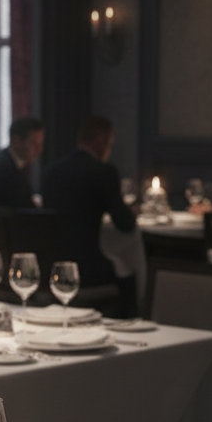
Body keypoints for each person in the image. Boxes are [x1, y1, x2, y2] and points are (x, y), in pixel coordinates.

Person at [42, 116, 136, 311]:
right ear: (102, 141)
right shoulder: (103, 172)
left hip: (51, 267)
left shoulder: (52, 171)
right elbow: (125, 224)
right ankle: (131, 321)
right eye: (110, 144)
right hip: (88, 270)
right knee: (129, 270)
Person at [0, 117, 45, 244]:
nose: (39, 150)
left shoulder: (9, 163)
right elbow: (22, 208)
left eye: (40, 144)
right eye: (34, 144)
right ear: (17, 140)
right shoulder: (3, 169)